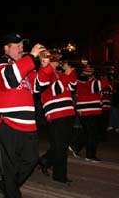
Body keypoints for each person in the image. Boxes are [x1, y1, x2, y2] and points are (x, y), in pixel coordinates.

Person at [0, 33, 53, 198]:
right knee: (9, 166)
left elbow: (39, 86)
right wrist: (31, 56)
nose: (22, 48)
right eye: (17, 45)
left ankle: (7, 185)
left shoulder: (25, 66)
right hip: (5, 120)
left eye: (23, 45)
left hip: (27, 123)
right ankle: (11, 191)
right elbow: (10, 78)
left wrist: (45, 67)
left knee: (31, 160)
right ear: (6, 48)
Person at [38, 53, 77, 184]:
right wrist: (66, 75)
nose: (57, 62)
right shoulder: (44, 74)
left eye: (58, 60)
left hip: (67, 112)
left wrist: (71, 72)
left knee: (61, 145)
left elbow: (71, 86)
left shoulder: (59, 74)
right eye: (54, 60)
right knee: (61, 146)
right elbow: (56, 89)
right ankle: (59, 175)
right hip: (55, 113)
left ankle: (45, 160)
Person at [69, 65, 110, 162]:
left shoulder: (90, 79)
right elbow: (96, 87)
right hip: (86, 109)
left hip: (93, 109)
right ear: (83, 71)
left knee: (89, 131)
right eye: (88, 69)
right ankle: (90, 155)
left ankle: (75, 146)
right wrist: (104, 77)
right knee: (92, 133)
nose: (91, 70)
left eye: (92, 68)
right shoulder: (81, 79)